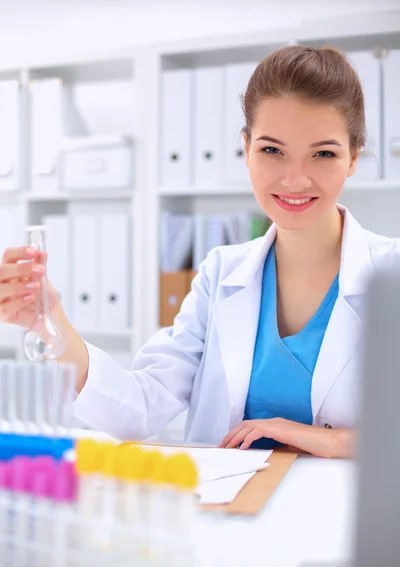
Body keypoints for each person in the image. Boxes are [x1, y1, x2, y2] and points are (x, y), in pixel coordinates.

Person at [1, 46, 398, 457]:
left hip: (343, 516)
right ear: (246, 148)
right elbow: (139, 408)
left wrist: (329, 439)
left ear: (353, 156)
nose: (295, 179)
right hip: (227, 514)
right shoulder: (220, 273)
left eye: (323, 154)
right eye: (272, 150)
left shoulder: (392, 273)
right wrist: (50, 322)